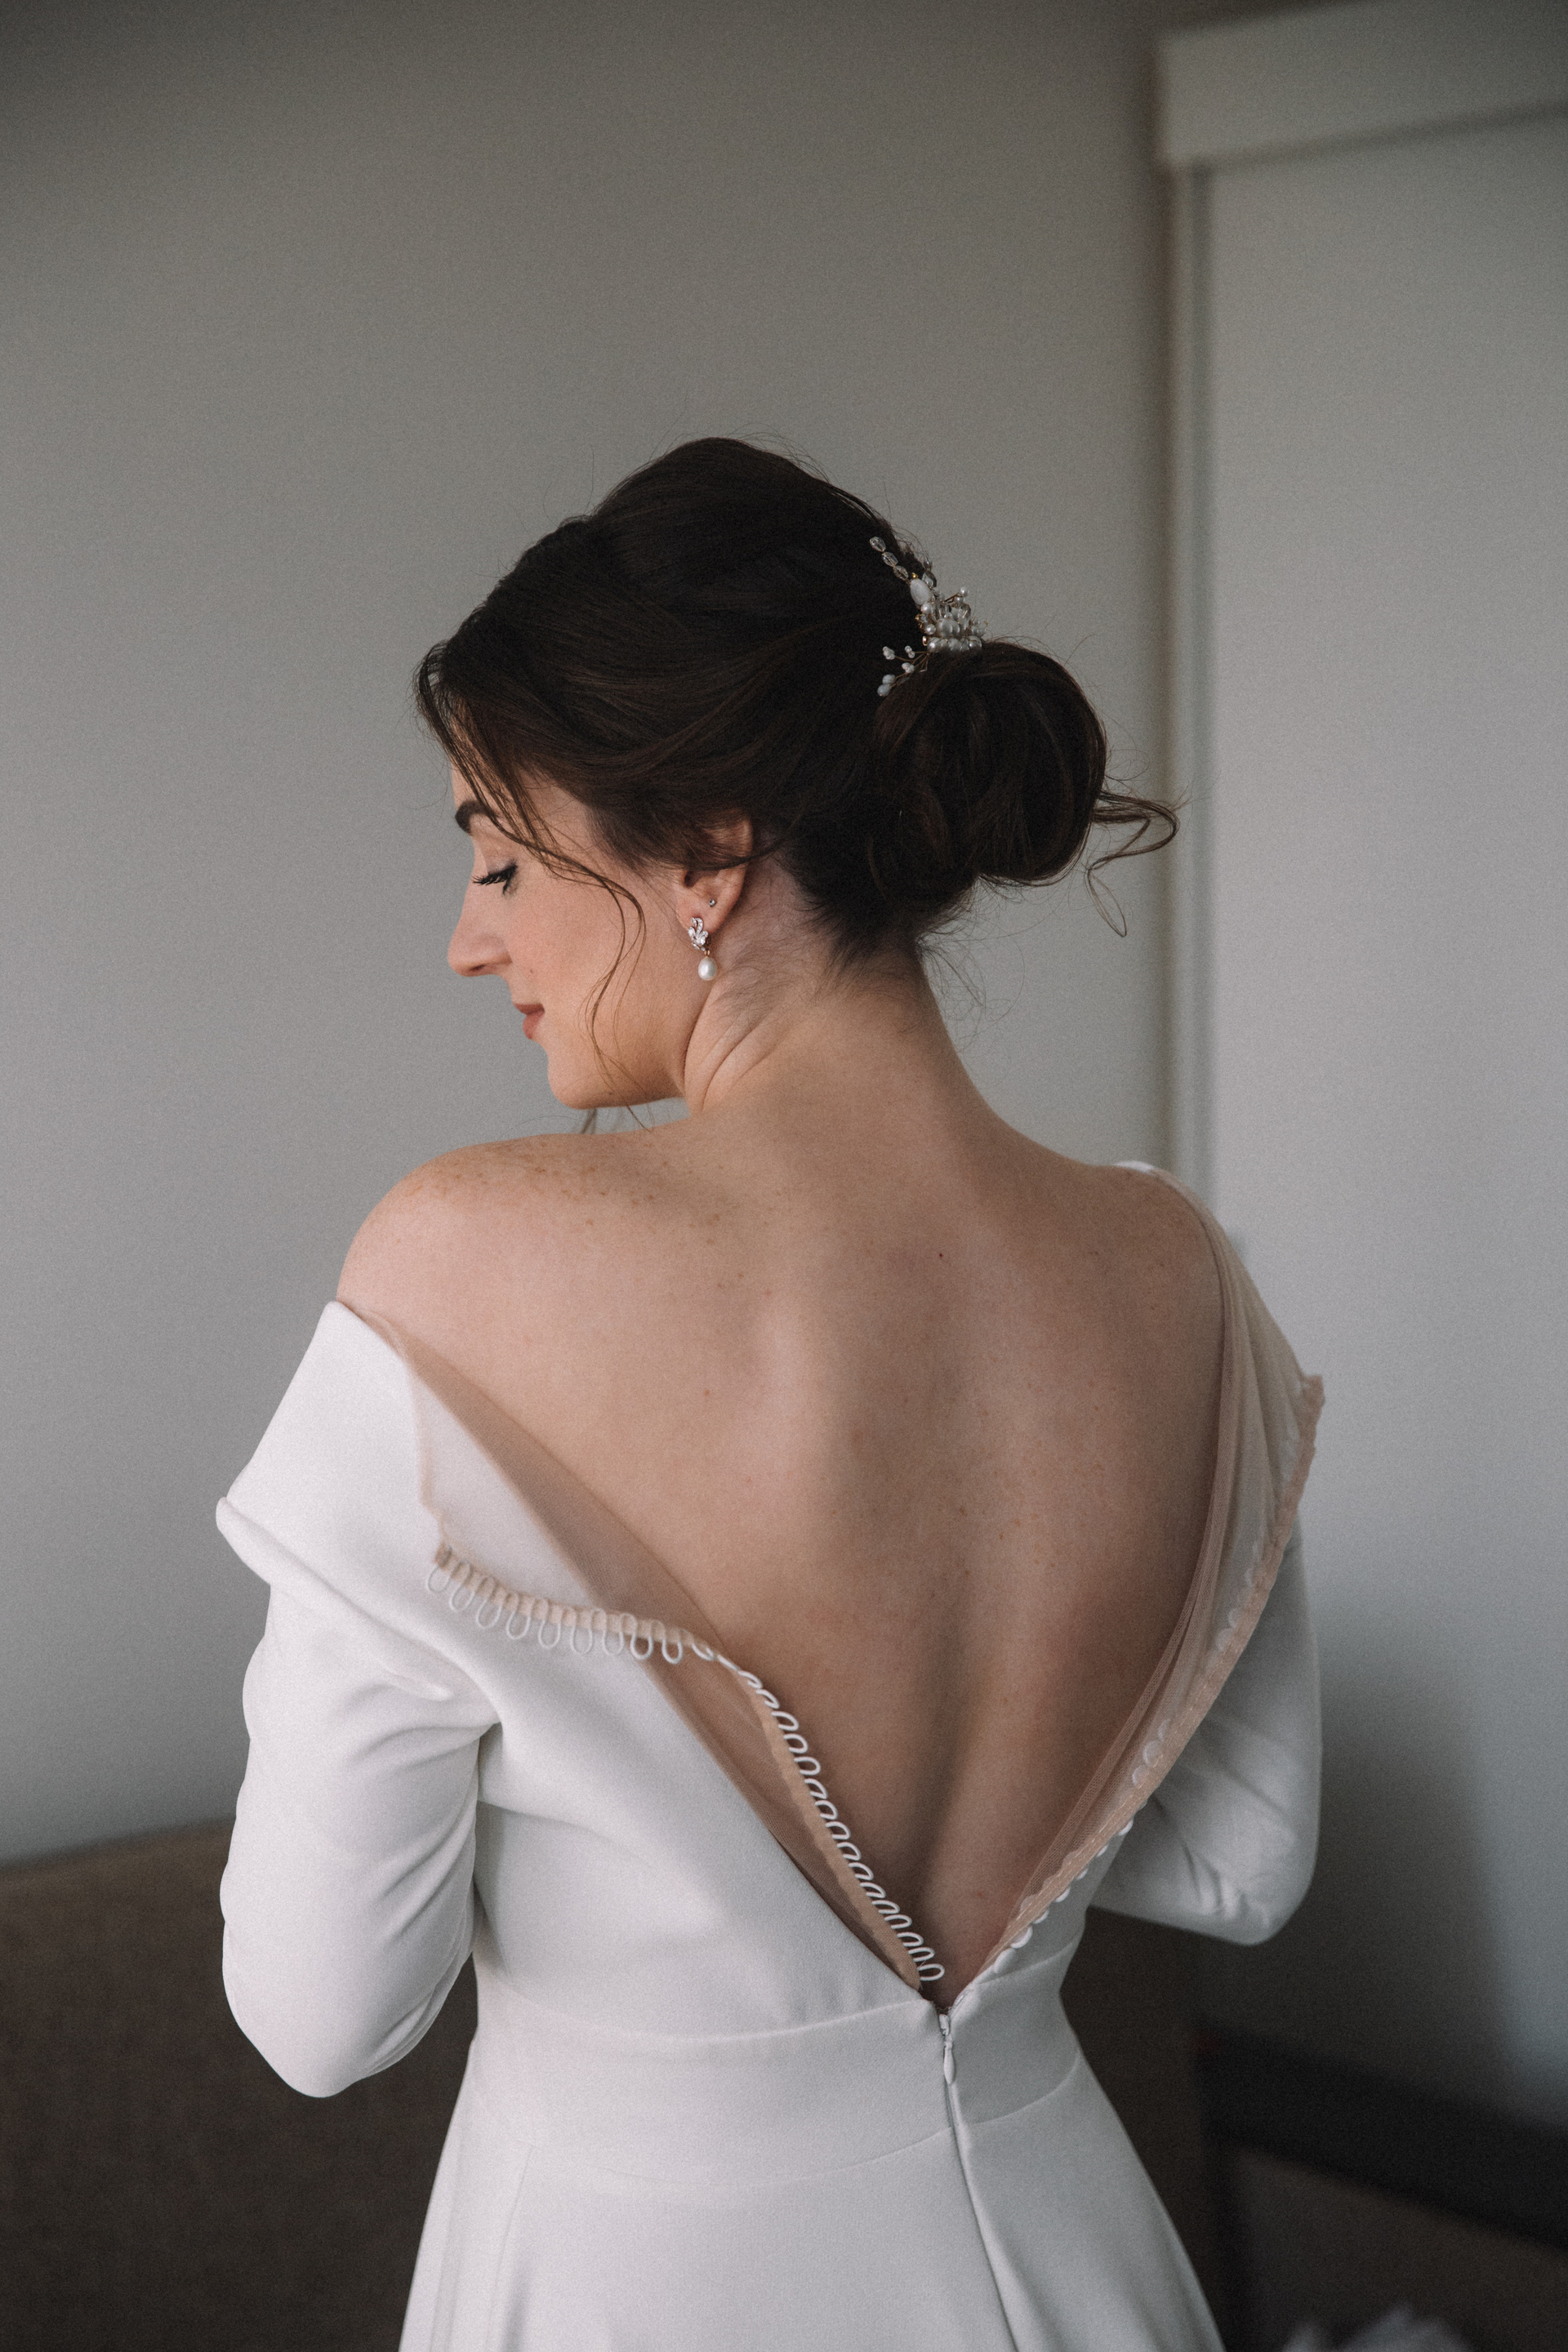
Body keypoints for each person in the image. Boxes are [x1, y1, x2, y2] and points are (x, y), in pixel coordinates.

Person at [217, 438, 1322, 2350]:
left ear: (711, 850)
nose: (472, 936)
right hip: (1074, 2265)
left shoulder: (464, 1265)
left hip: (646, 2282)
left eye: (501, 856)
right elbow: (1244, 1864)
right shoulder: (1181, 1272)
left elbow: (323, 2016)